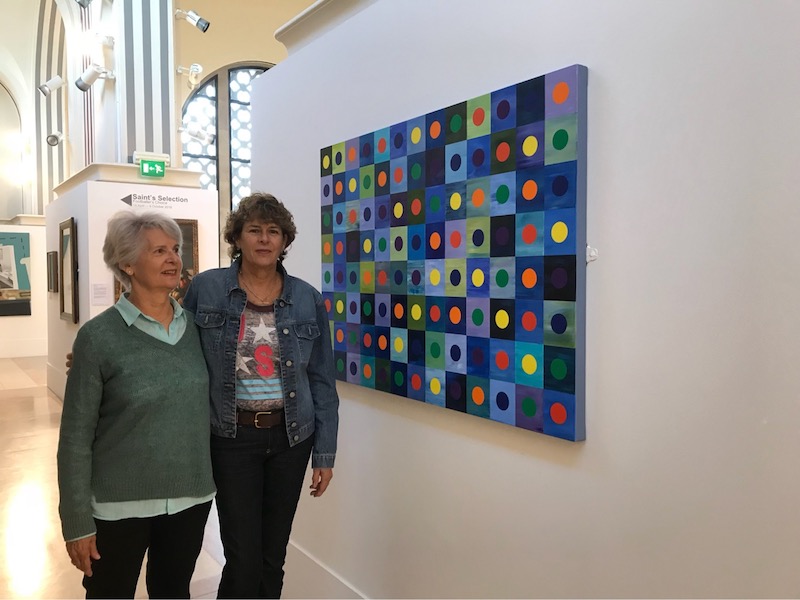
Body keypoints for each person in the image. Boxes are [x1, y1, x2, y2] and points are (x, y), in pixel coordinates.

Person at [183, 192, 339, 599]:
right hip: (230, 437)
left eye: (274, 231)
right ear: (237, 238)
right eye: (254, 230)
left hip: (292, 438)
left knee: (273, 556)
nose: (264, 239)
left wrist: (324, 454)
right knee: (243, 557)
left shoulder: (306, 298)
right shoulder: (206, 288)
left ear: (285, 240)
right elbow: (176, 350)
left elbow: (322, 380)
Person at [57, 211, 216, 599]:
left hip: (189, 499)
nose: (173, 259)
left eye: (175, 249)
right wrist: (76, 521)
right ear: (127, 263)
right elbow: (75, 439)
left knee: (173, 592)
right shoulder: (97, 338)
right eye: (159, 251)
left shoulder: (200, 331)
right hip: (117, 506)